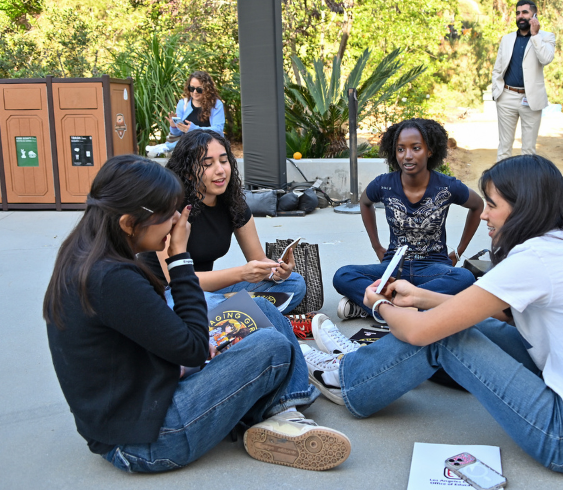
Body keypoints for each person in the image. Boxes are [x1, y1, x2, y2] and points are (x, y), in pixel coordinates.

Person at [303, 155, 563, 474]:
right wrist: (422, 296)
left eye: (492, 204)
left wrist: (378, 304)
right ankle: (361, 360)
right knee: (472, 321)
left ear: (524, 208)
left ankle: (348, 381)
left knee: (446, 336)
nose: (484, 214)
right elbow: (505, 315)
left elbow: (421, 334)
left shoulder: (537, 259)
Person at [43, 155, 350, 473]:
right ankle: (280, 418)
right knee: (271, 347)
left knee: (258, 307)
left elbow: (170, 337)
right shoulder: (112, 278)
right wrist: (180, 258)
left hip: (146, 393)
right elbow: (192, 348)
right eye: (167, 214)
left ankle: (284, 412)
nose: (177, 221)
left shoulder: (87, 252)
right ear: (128, 223)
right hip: (144, 441)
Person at [332, 118, 483, 319]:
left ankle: (381, 306)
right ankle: (412, 307)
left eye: (416, 148)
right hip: (393, 266)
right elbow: (365, 202)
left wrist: (460, 250)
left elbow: (477, 205)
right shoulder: (384, 184)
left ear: (430, 151)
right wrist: (377, 246)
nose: (407, 156)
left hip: (433, 267)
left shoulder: (447, 186)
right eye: (401, 149)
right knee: (343, 275)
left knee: (464, 277)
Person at [145, 129, 307, 313]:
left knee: (294, 283)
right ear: (188, 172)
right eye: (208, 164)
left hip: (210, 291)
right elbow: (176, 280)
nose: (220, 170)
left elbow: (258, 259)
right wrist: (241, 274)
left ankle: (234, 317)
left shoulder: (234, 205)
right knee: (206, 303)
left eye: (224, 161)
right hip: (168, 293)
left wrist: (277, 272)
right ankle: (241, 315)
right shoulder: (172, 209)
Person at [491, 1, 555, 161]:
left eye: (525, 12)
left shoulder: (546, 37)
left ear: (534, 15)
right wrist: (496, 93)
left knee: (528, 149)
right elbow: (498, 68)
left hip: (531, 99)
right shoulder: (507, 39)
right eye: (518, 13)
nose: (521, 16)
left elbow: (546, 58)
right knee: (504, 148)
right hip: (506, 96)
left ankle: (525, 185)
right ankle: (500, 184)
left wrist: (535, 35)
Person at [146, 70, 226, 157]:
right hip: (188, 149)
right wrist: (174, 126)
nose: (194, 92)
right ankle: (165, 147)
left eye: (199, 89)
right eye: (192, 88)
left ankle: (165, 147)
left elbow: (218, 130)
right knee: (188, 140)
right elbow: (177, 133)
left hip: (209, 144)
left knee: (193, 139)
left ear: (207, 89)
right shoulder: (183, 103)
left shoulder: (216, 104)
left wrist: (193, 129)